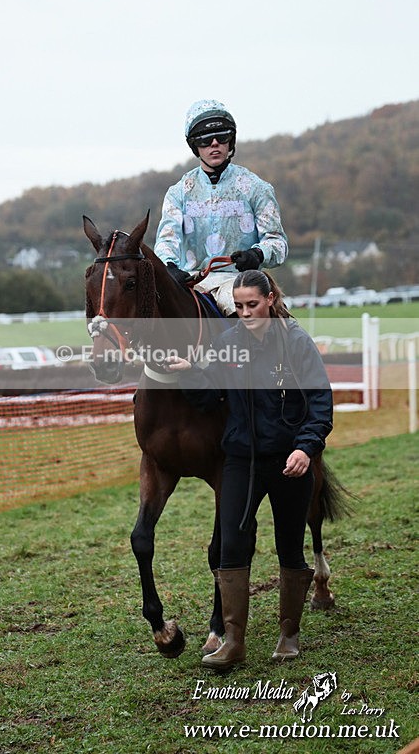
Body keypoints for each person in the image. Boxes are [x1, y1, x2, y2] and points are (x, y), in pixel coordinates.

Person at [166, 270, 333, 670]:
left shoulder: (295, 342)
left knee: (289, 546)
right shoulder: (229, 344)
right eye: (238, 306)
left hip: (290, 461)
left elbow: (320, 403)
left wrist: (306, 448)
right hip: (242, 459)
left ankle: (289, 635)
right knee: (231, 545)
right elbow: (209, 397)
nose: (244, 313)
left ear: (271, 298)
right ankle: (233, 641)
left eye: (252, 304)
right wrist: (188, 371)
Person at [154, 99, 288, 315]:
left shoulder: (257, 188)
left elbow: (278, 243)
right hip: (191, 281)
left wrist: (257, 254)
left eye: (222, 136)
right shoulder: (177, 193)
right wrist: (169, 267)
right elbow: (166, 240)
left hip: (238, 282)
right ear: (195, 145)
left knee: (243, 311)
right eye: (205, 139)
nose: (214, 143)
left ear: (230, 141)